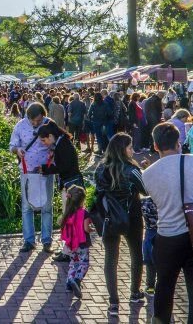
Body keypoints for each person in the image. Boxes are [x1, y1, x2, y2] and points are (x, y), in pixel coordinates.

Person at [141, 122, 193, 324]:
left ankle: (161, 320)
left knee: (165, 285)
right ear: (179, 143)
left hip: (168, 236)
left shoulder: (148, 173)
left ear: (156, 146)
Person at [94, 132, 148, 316]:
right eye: (130, 147)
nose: (133, 151)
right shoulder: (132, 170)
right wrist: (145, 170)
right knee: (136, 254)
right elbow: (146, 190)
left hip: (108, 218)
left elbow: (98, 191)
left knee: (110, 258)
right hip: (131, 216)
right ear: (122, 150)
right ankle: (134, 292)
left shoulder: (100, 169)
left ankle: (113, 302)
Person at [9, 103, 53, 253]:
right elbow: (12, 145)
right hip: (27, 171)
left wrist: (53, 152)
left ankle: (47, 241)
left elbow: (57, 143)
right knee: (27, 207)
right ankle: (29, 241)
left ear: (43, 115)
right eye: (32, 120)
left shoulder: (49, 123)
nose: (35, 123)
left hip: (45, 171)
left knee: (47, 206)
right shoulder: (20, 126)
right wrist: (18, 150)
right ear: (27, 116)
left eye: (38, 120)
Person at [57, 185, 94, 299]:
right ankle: (77, 280)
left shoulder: (68, 213)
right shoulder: (84, 213)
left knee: (73, 263)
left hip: (72, 244)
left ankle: (69, 283)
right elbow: (86, 228)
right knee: (84, 264)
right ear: (82, 200)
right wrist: (93, 229)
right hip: (83, 244)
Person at [37, 120, 82, 188]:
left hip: (72, 183)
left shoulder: (63, 145)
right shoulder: (61, 142)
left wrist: (44, 168)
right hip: (70, 180)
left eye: (43, 140)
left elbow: (64, 167)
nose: (43, 143)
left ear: (50, 136)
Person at [142, 196, 158, 296]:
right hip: (163, 233)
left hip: (149, 233)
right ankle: (162, 286)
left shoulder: (145, 202)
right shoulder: (164, 201)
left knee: (150, 264)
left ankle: (150, 287)